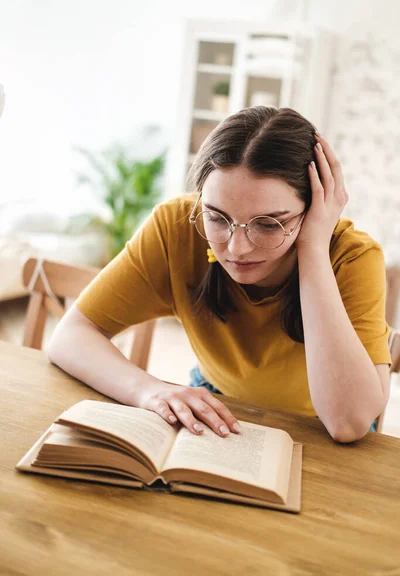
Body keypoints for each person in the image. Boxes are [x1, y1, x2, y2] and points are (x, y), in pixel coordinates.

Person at [48, 107, 391, 443]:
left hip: (321, 428)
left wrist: (312, 248)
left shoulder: (353, 257)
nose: (238, 248)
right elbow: (71, 335)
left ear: (315, 209)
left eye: (269, 223)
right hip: (221, 403)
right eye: (216, 217)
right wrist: (148, 390)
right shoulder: (176, 227)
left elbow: (348, 423)